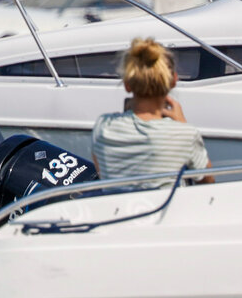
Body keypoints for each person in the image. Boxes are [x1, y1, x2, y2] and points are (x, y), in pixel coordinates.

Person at [91, 37, 214, 186]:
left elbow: (102, 172)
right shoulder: (185, 134)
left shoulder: (103, 126)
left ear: (127, 85)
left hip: (120, 202)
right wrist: (182, 124)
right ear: (173, 81)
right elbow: (207, 182)